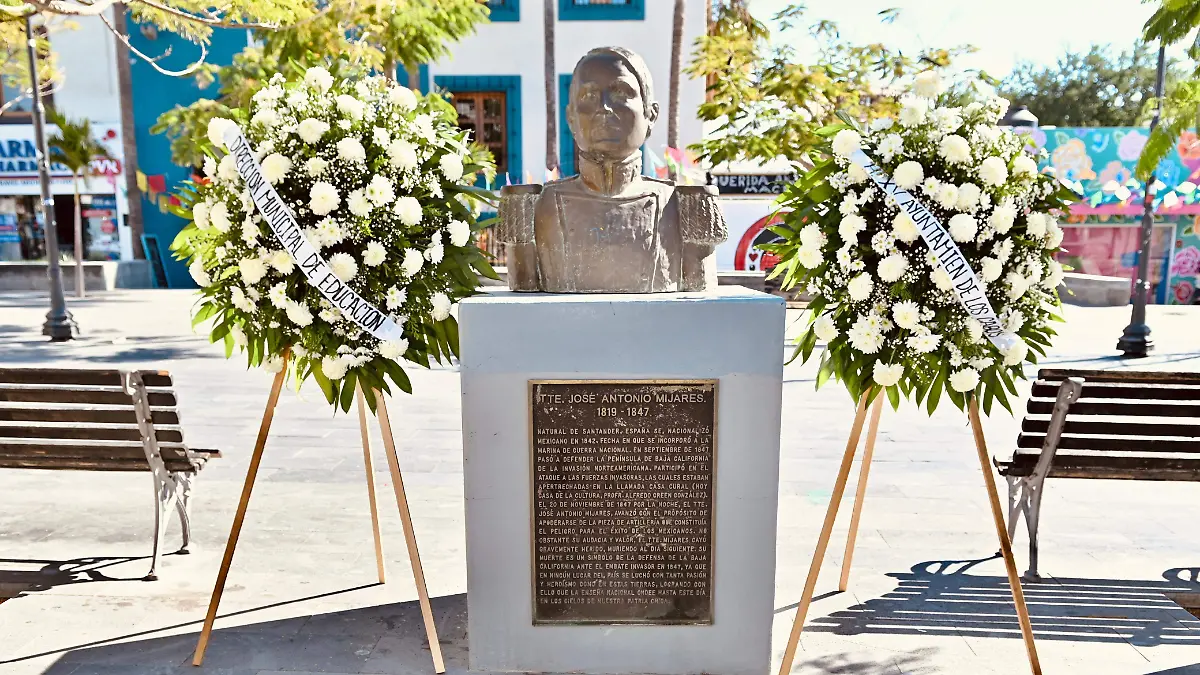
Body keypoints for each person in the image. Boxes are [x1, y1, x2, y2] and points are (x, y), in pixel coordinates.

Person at [499, 47, 725, 293]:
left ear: (651, 114)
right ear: (570, 118)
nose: (604, 107)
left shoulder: (685, 206)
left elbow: (701, 308)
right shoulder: (532, 206)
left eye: (620, 93)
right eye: (589, 96)